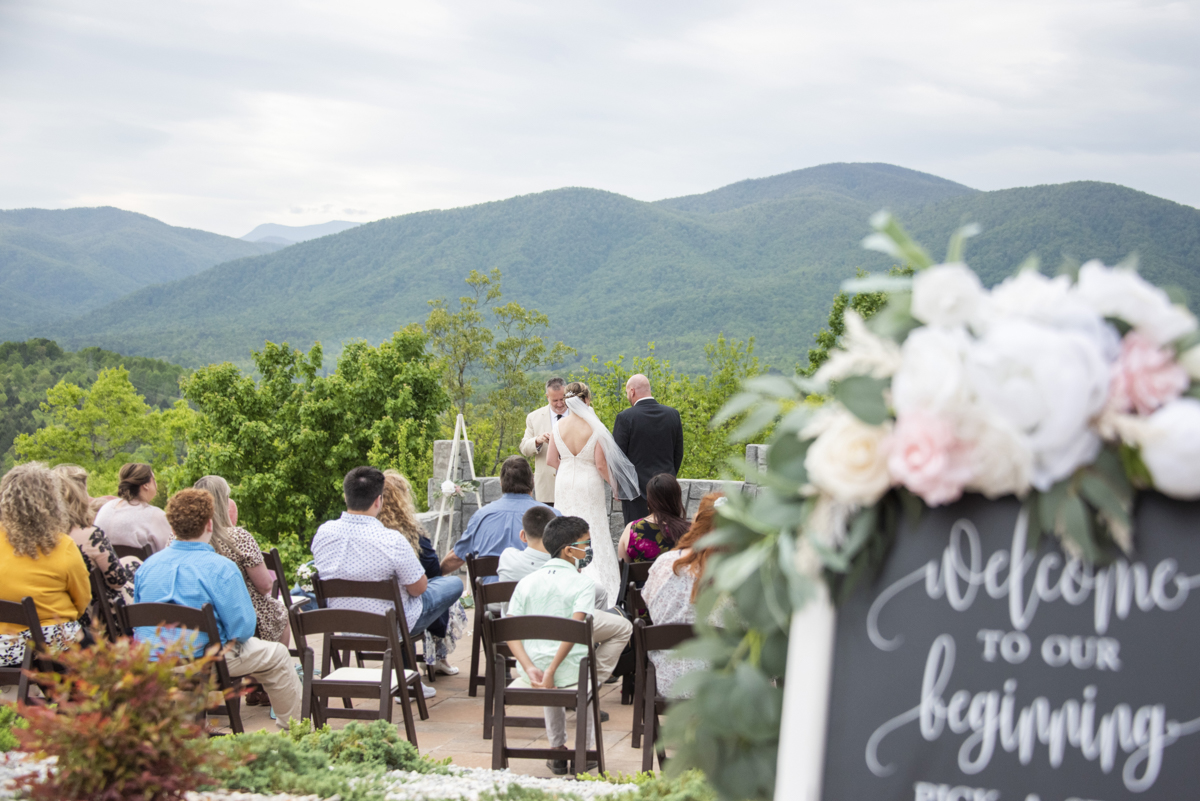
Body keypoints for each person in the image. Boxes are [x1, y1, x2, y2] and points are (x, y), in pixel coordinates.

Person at [133, 489, 302, 727]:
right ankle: (296, 731)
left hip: (154, 663)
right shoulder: (221, 568)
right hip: (204, 662)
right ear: (209, 525)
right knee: (278, 655)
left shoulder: (147, 568)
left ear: (172, 528)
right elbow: (242, 630)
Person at [311, 466, 463, 699]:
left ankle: (406, 671)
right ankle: (416, 670)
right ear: (378, 500)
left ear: (345, 496)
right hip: (391, 626)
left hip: (345, 624)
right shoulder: (392, 540)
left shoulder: (323, 533)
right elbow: (419, 588)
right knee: (453, 586)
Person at [505, 516, 632, 774]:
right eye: (586, 544)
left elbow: (510, 631)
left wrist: (531, 668)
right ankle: (584, 752)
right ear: (568, 549)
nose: (589, 550)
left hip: (532, 672)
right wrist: (552, 669)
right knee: (577, 670)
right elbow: (576, 630)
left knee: (553, 667)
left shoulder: (526, 583)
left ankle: (557, 751)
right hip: (569, 670)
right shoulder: (582, 583)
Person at [545, 381, 640, 606]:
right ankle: (599, 589)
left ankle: (564, 582)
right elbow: (600, 465)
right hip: (589, 484)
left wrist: (568, 470)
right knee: (592, 529)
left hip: (565, 482)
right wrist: (616, 487)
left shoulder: (558, 426)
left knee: (565, 529)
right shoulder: (595, 426)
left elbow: (550, 460)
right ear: (587, 400)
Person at [0, 463, 92, 667]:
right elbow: (82, 601)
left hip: (4, 648)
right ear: (52, 501)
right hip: (52, 650)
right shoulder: (63, 545)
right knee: (96, 649)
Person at [379, 470, 468, 677]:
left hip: (369, 613)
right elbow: (432, 570)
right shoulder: (408, 534)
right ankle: (438, 657)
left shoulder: (370, 535)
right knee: (448, 587)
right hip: (404, 611)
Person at [642, 492, 726, 697]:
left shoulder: (664, 563)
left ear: (697, 521)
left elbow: (647, 600)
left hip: (669, 679)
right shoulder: (732, 573)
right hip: (717, 685)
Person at [192, 476, 288, 647]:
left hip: (195, 613)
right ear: (224, 501)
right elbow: (265, 586)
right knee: (280, 612)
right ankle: (273, 668)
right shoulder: (238, 537)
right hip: (240, 616)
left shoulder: (180, 539)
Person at [438, 456, 559, 577]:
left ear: (501, 483)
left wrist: (434, 575)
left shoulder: (481, 516)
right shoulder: (553, 516)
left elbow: (457, 557)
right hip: (538, 594)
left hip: (490, 595)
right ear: (532, 481)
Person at [53, 464, 137, 604]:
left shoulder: (42, 537)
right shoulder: (92, 536)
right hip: (99, 614)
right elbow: (117, 581)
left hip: (64, 606)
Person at [497, 505, 607, 610]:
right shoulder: (568, 570)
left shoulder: (507, 557)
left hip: (510, 627)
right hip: (558, 627)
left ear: (523, 536)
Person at [612, 374, 684, 525]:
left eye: (627, 393)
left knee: (638, 537)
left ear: (632, 391)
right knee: (668, 534)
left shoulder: (625, 417)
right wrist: (668, 478)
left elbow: (618, 458)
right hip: (667, 490)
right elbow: (678, 454)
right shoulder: (672, 414)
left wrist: (620, 486)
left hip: (636, 493)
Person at [93, 463, 173, 553]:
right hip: (143, 566)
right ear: (146, 485)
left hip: (106, 566)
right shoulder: (155, 515)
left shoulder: (106, 507)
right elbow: (170, 550)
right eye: (153, 479)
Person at [518, 377, 569, 505]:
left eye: (562, 399)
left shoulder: (580, 414)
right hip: (546, 488)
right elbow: (524, 448)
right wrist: (538, 440)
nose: (559, 404)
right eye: (554, 400)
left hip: (573, 484)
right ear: (547, 397)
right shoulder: (533, 417)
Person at [618, 473, 689, 564]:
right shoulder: (691, 531)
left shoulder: (631, 529)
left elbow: (623, 570)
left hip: (642, 578)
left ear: (649, 500)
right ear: (677, 499)